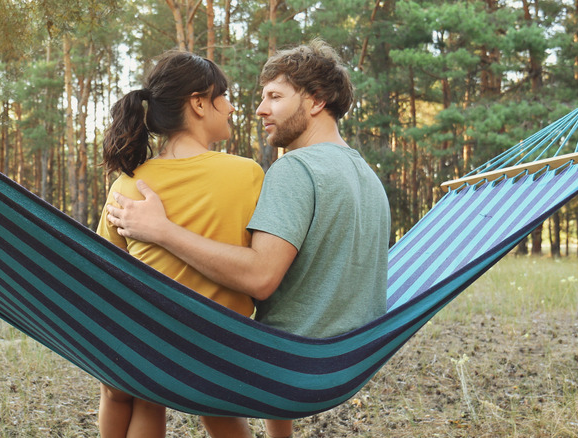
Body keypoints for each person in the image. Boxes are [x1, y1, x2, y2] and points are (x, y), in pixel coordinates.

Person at [105, 39, 391, 438]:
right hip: (348, 359)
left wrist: (163, 230)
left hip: (288, 362)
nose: (259, 109)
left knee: (181, 365)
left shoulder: (294, 171)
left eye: (274, 96)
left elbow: (261, 279)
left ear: (316, 101)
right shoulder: (368, 177)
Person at [95, 51, 263, 438]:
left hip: (147, 346)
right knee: (214, 402)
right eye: (225, 96)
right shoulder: (247, 175)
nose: (233, 107)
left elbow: (107, 269)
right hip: (218, 348)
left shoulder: (127, 185)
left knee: (141, 392)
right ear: (199, 103)